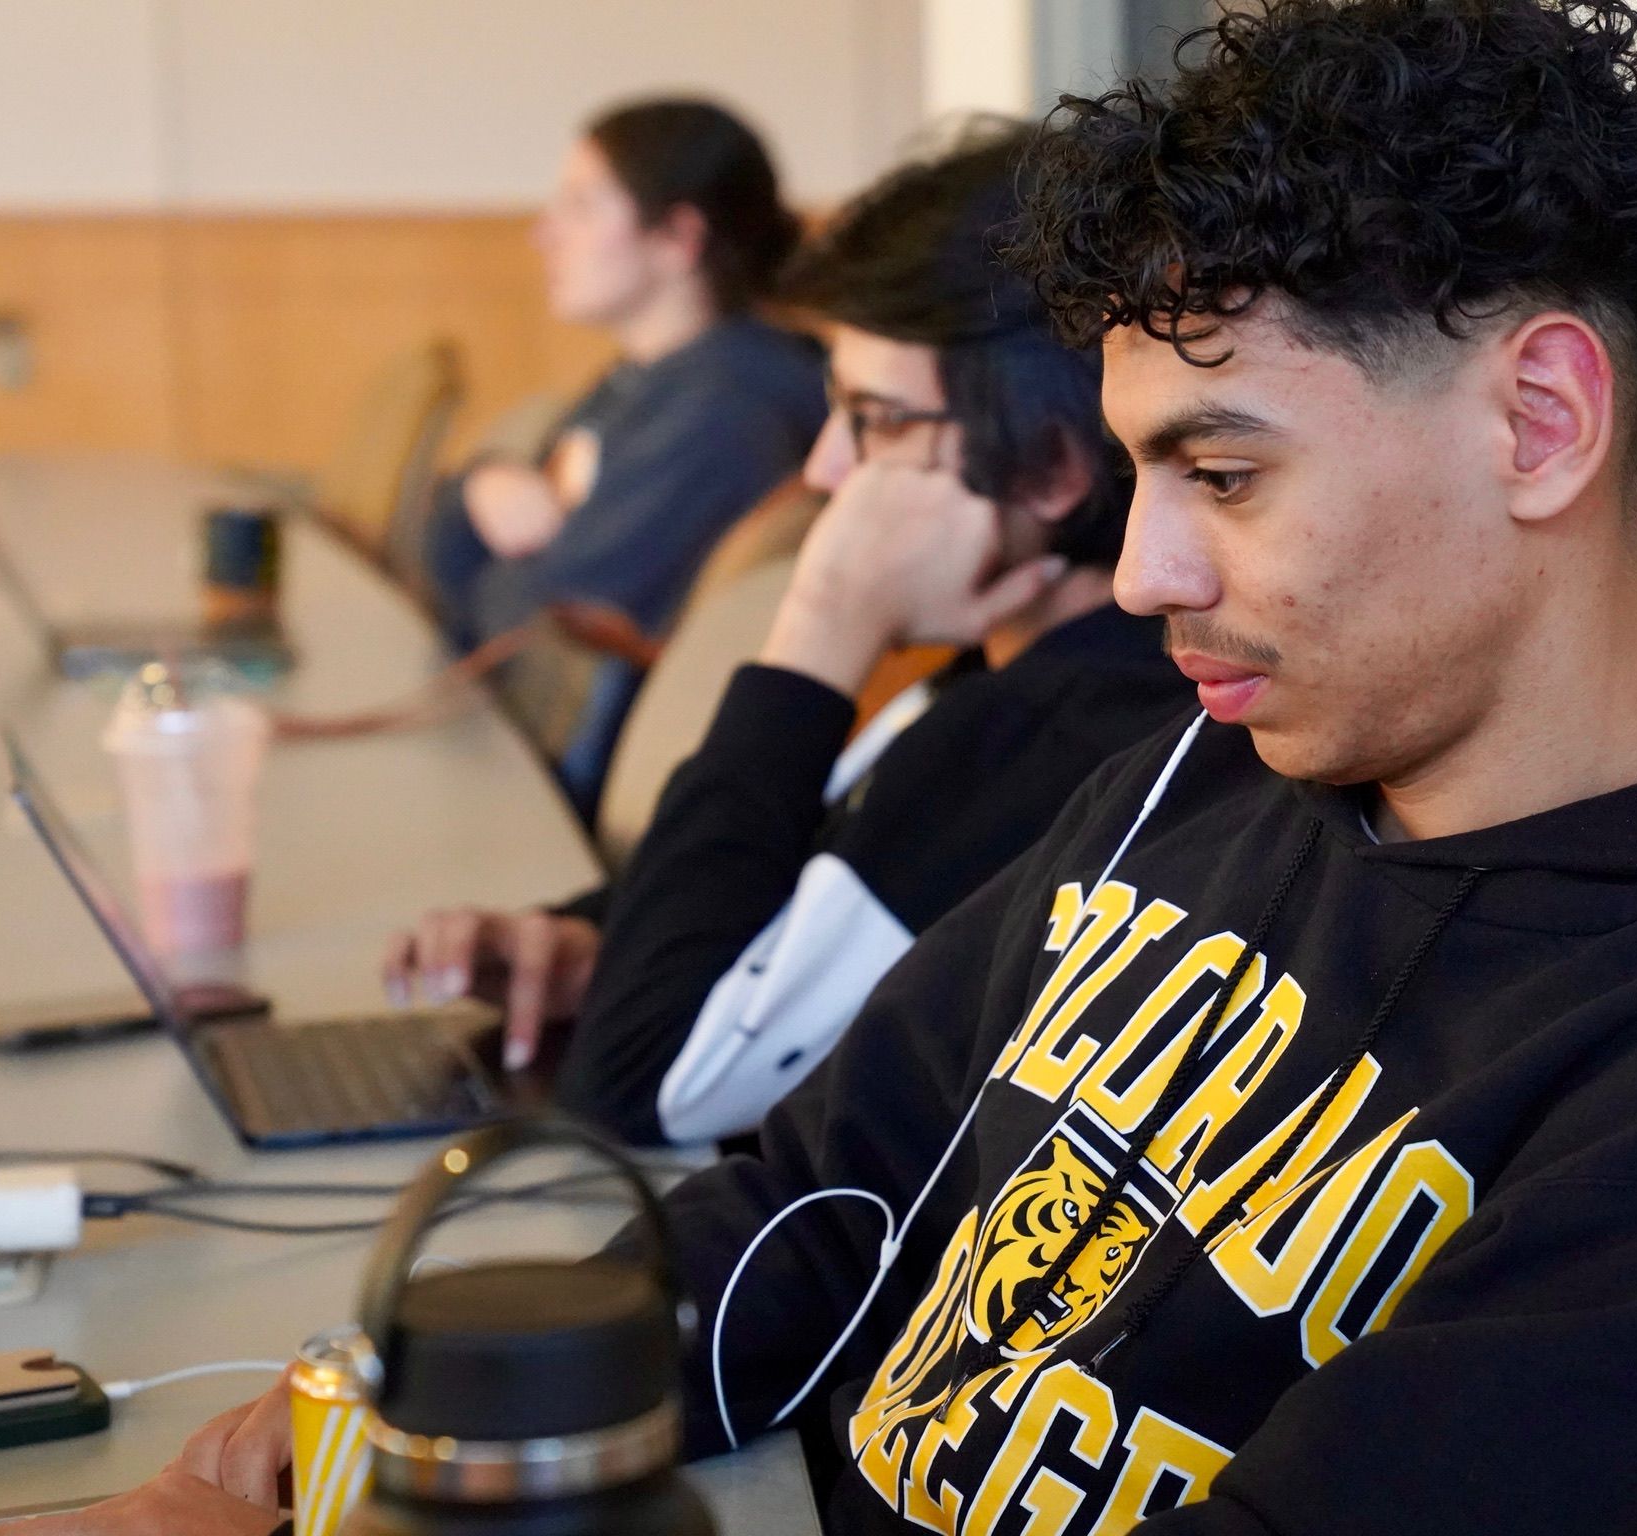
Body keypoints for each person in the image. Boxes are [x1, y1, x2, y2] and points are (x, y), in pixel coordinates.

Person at [24, 2, 1637, 1533]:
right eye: (1136, 475)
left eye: (1222, 473)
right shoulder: (1201, 784)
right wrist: (372, 1439)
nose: (1141, 572)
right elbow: (810, 1195)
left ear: (1537, 422)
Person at [385, 126, 1191, 1145]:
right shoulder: (1002, 676)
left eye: (877, 421)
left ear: (1048, 467)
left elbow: (637, 1084)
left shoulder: (1065, 742)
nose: (821, 472)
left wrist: (817, 637)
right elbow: (804, 892)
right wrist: (593, 940)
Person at [428, 97, 826, 801]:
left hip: (574, 794)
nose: (544, 233)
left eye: (582, 206)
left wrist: (474, 522)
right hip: (528, 750)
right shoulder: (649, 378)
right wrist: (479, 486)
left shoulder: (727, 412)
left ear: (679, 236)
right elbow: (456, 558)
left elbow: (543, 627)